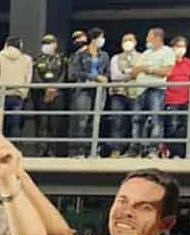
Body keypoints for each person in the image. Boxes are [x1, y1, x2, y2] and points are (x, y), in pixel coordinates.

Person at [130, 28, 176, 158]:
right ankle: (136, 149)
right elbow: (134, 71)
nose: (146, 39)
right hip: (140, 89)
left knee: (156, 119)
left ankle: (153, 150)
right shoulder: (145, 53)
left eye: (148, 36)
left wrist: (146, 69)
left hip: (156, 89)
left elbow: (166, 71)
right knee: (137, 119)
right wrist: (141, 69)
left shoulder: (167, 51)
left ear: (157, 38)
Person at [68, 28, 109, 158]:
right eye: (101, 38)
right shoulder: (80, 54)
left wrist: (104, 78)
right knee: (81, 121)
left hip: (99, 91)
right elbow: (74, 73)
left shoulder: (104, 55)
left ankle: (91, 151)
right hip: (83, 90)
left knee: (95, 121)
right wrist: (94, 77)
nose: (102, 40)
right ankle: (78, 151)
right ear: (94, 39)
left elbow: (107, 73)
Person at [105, 33, 142, 158]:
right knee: (117, 121)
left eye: (130, 40)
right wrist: (131, 74)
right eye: (125, 40)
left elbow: (142, 74)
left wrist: (125, 74)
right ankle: (116, 149)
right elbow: (115, 76)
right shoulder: (115, 58)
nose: (128, 42)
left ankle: (135, 150)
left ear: (135, 42)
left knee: (136, 121)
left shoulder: (142, 57)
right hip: (118, 93)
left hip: (136, 93)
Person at [31, 33, 67, 157]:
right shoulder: (38, 59)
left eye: (49, 43)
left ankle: (53, 150)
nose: (46, 46)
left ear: (55, 44)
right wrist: (46, 88)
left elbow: (64, 75)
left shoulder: (62, 59)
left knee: (54, 123)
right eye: (44, 44)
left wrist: (55, 88)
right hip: (42, 95)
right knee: (42, 123)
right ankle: (41, 149)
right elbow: (35, 77)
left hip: (58, 94)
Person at [0, 36, 32, 140]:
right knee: (15, 125)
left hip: (1, 95)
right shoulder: (27, 59)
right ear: (20, 45)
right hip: (17, 95)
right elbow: (28, 79)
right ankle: (12, 151)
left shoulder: (0, 56)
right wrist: (23, 94)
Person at [159, 34, 190, 159]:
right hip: (170, 100)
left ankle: (182, 154)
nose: (181, 49)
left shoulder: (189, 63)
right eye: (178, 46)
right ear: (172, 47)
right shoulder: (167, 62)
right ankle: (171, 153)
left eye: (184, 46)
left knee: (185, 129)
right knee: (172, 127)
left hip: (186, 101)